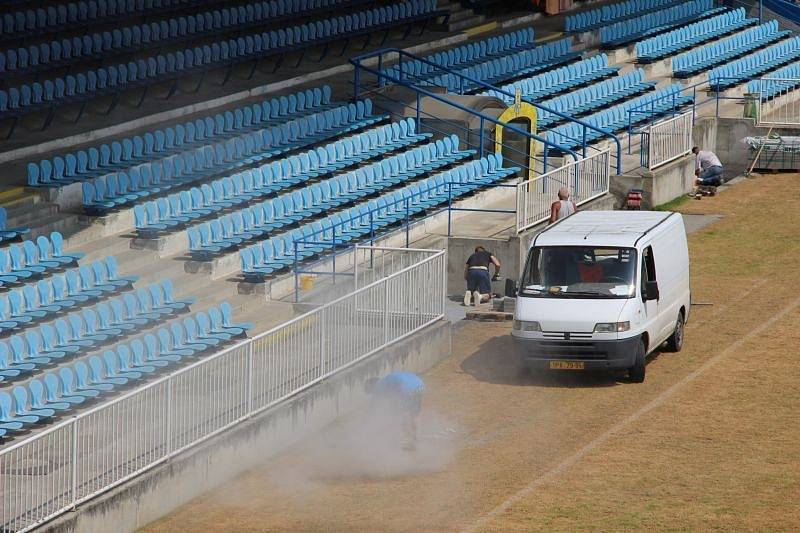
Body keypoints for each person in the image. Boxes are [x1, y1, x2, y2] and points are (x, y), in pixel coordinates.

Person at [364, 371, 425, 451]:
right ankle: (415, 440)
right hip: (420, 386)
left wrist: (365, 423)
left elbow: (374, 406)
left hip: (407, 389)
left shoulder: (378, 386)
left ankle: (404, 441)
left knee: (400, 415)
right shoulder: (387, 380)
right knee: (415, 415)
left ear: (372, 386)